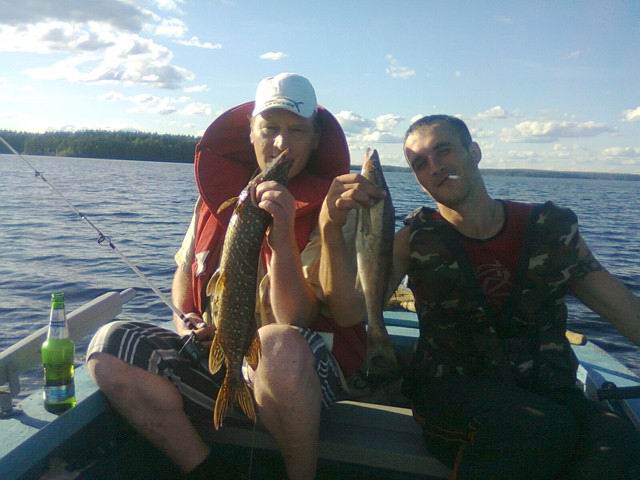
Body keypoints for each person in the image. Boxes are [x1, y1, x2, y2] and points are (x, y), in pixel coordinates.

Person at [324, 114, 640, 479]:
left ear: (474, 152)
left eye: (444, 150)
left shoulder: (549, 229)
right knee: (537, 429)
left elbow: (622, 309)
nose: (434, 167)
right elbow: (349, 314)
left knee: (619, 441)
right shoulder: (414, 240)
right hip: (451, 392)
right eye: (420, 163)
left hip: (551, 390)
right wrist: (331, 227)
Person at [86, 73, 367, 480]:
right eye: (270, 129)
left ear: (315, 139)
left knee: (277, 345)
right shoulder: (216, 200)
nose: (281, 144)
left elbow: (296, 318)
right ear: (250, 132)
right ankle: (204, 469)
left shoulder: (334, 210)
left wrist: (282, 238)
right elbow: (186, 270)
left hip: (300, 375)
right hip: (222, 362)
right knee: (109, 346)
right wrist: (184, 320)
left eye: (296, 131)